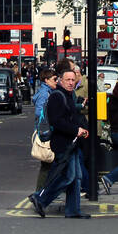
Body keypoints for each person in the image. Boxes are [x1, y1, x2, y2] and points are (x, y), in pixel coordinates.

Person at [28, 67, 92, 219]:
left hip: (72, 142)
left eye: (72, 80)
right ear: (61, 81)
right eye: (67, 80)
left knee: (76, 177)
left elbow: (71, 118)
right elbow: (57, 121)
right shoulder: (57, 96)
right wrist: (75, 130)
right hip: (63, 143)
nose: (70, 82)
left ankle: (73, 210)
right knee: (67, 177)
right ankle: (41, 198)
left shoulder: (69, 95)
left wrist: (81, 129)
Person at [32, 67, 60, 192]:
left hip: (48, 132)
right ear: (46, 80)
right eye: (54, 79)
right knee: (47, 164)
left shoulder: (48, 92)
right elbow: (39, 113)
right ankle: (40, 193)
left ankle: (43, 192)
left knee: (49, 165)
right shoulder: (44, 94)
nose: (56, 81)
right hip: (46, 133)